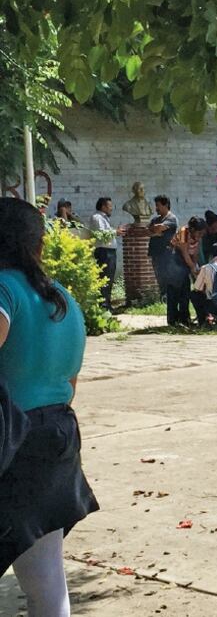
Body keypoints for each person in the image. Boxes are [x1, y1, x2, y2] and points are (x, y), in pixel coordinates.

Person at [0, 198, 99, 615]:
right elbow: (69, 384)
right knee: (46, 583)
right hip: (57, 439)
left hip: (11, 444)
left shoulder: (3, 287)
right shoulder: (63, 299)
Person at [89, 197, 125, 311]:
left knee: (109, 278)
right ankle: (104, 306)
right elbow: (101, 233)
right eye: (109, 206)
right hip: (104, 252)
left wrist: (115, 231)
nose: (111, 209)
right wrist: (115, 232)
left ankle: (107, 305)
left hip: (109, 252)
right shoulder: (97, 217)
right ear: (103, 206)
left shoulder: (103, 218)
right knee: (104, 278)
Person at [147, 195, 179, 302]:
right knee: (159, 276)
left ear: (166, 205)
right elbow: (147, 231)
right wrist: (154, 231)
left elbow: (159, 227)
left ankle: (169, 298)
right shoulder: (155, 219)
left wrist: (155, 230)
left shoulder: (172, 218)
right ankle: (163, 297)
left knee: (167, 275)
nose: (156, 208)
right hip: (155, 252)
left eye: (158, 206)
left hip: (167, 253)